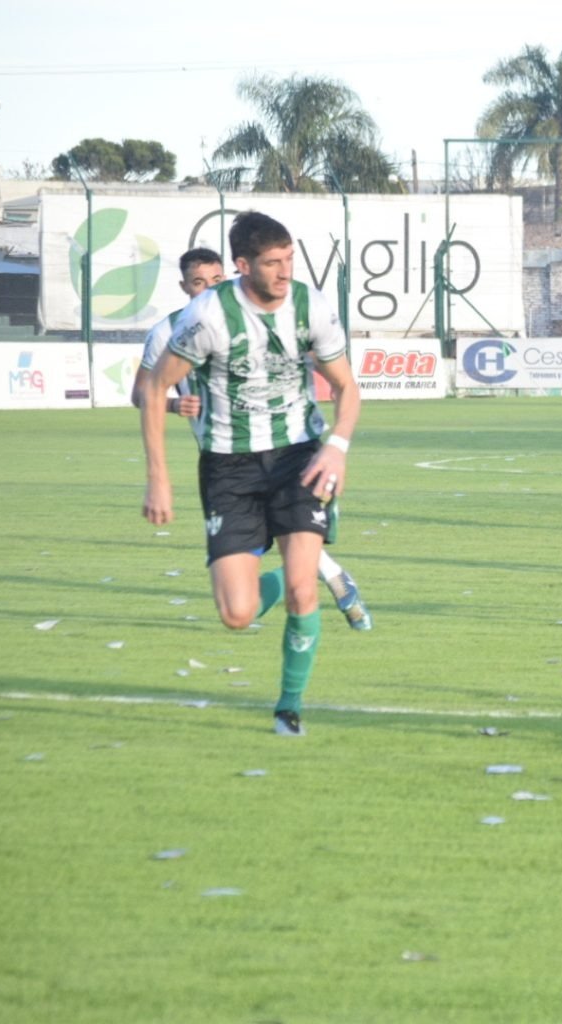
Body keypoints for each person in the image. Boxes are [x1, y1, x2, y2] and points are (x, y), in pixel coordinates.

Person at [140, 211, 362, 737]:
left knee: (304, 593)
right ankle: (294, 575)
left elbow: (346, 387)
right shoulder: (208, 316)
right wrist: (159, 478)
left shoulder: (311, 306)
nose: (285, 272)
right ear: (243, 265)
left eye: (289, 259)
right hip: (228, 466)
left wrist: (336, 447)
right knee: (237, 614)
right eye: (272, 263)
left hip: (298, 457)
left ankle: (289, 708)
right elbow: (152, 388)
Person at [134, 247, 371, 632]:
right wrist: (175, 406)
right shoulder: (168, 331)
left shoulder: (258, 314)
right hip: (224, 457)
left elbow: (334, 374)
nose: (208, 288)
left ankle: (315, 575)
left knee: (298, 577)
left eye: (216, 279)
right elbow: (143, 392)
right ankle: (317, 571)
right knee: (238, 612)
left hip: (289, 453)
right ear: (184, 287)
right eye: (198, 282)